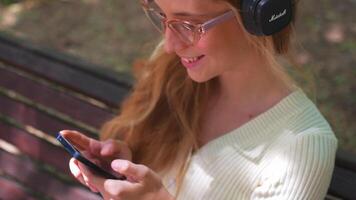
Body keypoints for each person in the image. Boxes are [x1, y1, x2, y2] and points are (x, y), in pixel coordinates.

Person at [60, 0, 338, 199]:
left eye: (189, 24)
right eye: (162, 15)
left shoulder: (303, 147)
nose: (170, 44)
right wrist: (123, 171)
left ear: (263, 13)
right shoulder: (174, 70)